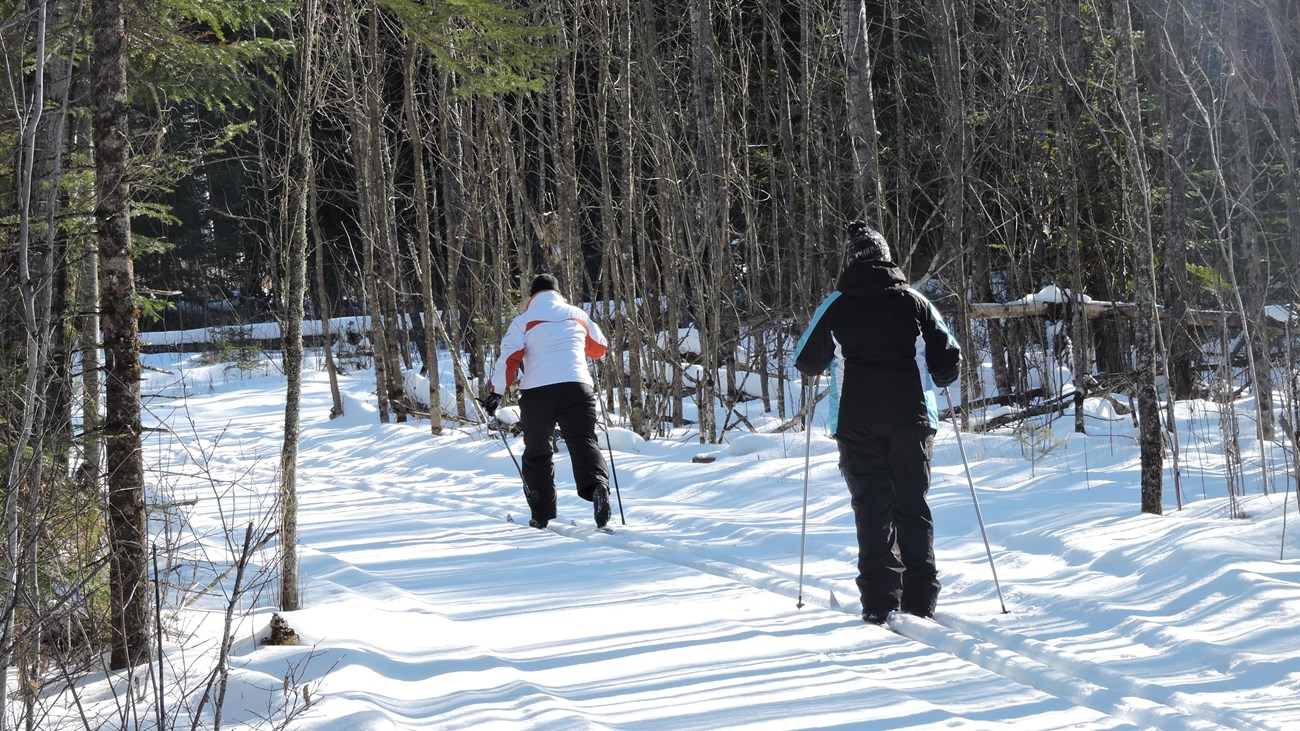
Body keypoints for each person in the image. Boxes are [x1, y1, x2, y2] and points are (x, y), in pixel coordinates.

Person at [793, 220, 961, 624]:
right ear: (887, 258)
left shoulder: (836, 304)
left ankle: (880, 600)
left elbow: (806, 360)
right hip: (913, 419)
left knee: (872, 507)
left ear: (851, 261)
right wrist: (935, 372)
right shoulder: (915, 303)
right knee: (911, 504)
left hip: (856, 420)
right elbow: (950, 360)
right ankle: (921, 599)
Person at [484, 274, 612, 529]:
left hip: (538, 391)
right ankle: (598, 487)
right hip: (577, 386)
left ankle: (541, 514)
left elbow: (509, 358)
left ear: (532, 297)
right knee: (583, 441)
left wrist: (496, 392)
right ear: (558, 293)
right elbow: (599, 348)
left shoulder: (523, 321)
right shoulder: (577, 314)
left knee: (538, 450)